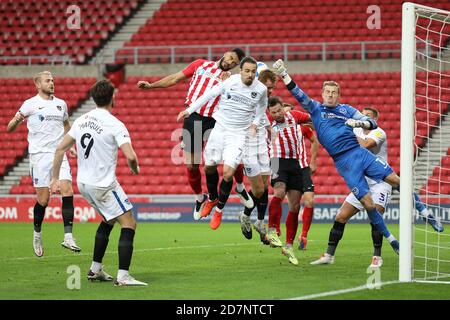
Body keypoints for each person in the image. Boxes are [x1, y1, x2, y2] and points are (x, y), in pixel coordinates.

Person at [272, 59, 401, 255]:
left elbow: (366, 134)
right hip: (346, 167)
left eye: (334, 92)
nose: (330, 95)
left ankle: (381, 251)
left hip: (369, 171)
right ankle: (325, 251)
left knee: (379, 205)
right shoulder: (315, 110)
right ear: (322, 94)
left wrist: (360, 124)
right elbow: (298, 94)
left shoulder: (350, 115)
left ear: (338, 96)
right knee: (341, 214)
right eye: (327, 92)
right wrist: (284, 74)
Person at [137, 48, 253, 220]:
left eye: (234, 63)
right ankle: (200, 198)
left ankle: (240, 187)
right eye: (230, 58)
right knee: (191, 164)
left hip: (217, 121)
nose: (230, 63)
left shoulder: (231, 80)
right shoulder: (201, 65)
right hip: (194, 119)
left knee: (230, 158)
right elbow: (175, 78)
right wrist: (152, 86)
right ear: (225, 53)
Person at [50, 80, 146, 286]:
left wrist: (54, 178)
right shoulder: (115, 124)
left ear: (94, 98)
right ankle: (123, 276)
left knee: (109, 220)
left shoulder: (81, 120)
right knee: (129, 223)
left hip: (84, 184)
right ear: (113, 98)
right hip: (103, 185)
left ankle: (95, 269)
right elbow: (130, 155)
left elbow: (59, 149)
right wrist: (135, 168)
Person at [177, 56, 268, 230]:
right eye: (247, 71)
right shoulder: (230, 81)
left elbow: (262, 107)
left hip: (239, 134)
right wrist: (188, 110)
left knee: (227, 173)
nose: (250, 75)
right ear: (240, 71)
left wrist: (256, 123)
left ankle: (219, 210)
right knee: (208, 167)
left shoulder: (261, 89)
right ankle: (212, 198)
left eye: (253, 72)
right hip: (220, 129)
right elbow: (209, 94)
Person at [7, 71, 80, 257]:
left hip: (59, 153)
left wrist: (69, 145)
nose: (52, 83)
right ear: (38, 84)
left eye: (53, 80)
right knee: (43, 200)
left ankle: (68, 236)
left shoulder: (61, 104)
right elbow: (10, 127)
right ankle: (37, 233)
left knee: (68, 190)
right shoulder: (29, 105)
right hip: (39, 156)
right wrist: (16, 121)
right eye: (48, 80)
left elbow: (66, 126)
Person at [266, 96, 311, 266]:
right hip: (277, 160)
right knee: (279, 190)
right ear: (269, 113)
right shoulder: (268, 124)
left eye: (279, 110)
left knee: (295, 205)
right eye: (273, 112)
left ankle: (289, 246)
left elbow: (311, 118)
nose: (277, 114)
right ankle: (271, 230)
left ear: (283, 108)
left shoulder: (294, 116)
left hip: (296, 163)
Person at [238, 68, 277, 245]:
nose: (270, 91)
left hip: (262, 146)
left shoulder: (264, 100)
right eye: (268, 87)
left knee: (266, 185)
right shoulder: (247, 95)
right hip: (248, 147)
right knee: (259, 189)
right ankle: (245, 216)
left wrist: (269, 130)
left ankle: (260, 221)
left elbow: (263, 119)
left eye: (272, 88)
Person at [282, 103, 318, 250]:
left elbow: (314, 141)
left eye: (292, 113)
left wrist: (313, 162)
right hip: (288, 170)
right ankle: (289, 240)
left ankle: (303, 235)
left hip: (303, 168)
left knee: (309, 201)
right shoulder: (277, 129)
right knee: (294, 207)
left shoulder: (301, 127)